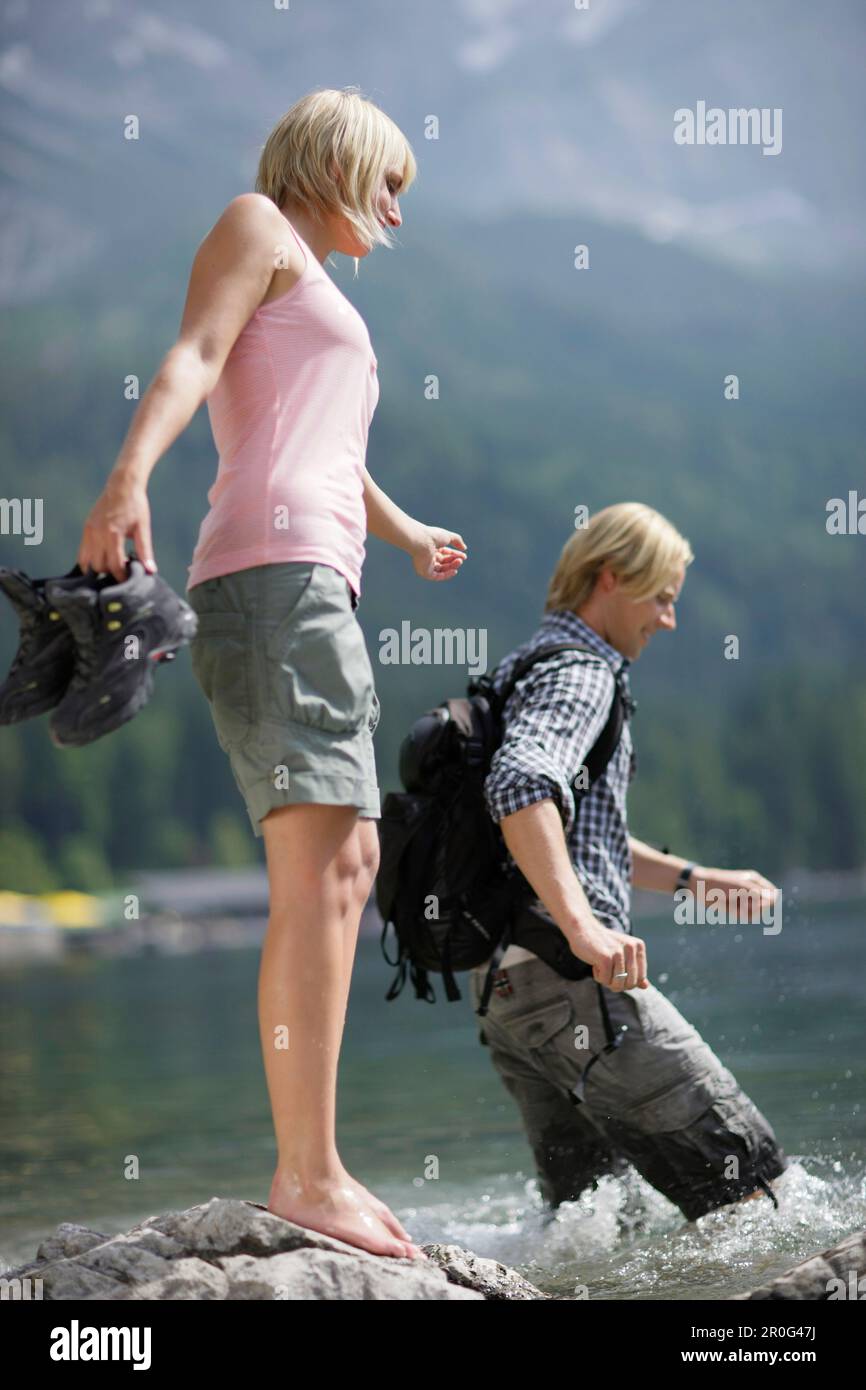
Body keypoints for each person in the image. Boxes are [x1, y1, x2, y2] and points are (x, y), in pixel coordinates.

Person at [76, 87, 467, 1260]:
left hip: (313, 578)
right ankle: (306, 1173)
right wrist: (124, 480)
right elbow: (194, 355)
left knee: (345, 858)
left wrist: (401, 534)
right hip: (273, 575)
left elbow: (328, 448)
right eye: (385, 181)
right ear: (331, 162)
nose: (397, 207)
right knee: (320, 865)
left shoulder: (322, 285)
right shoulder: (256, 224)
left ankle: (314, 1163)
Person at [470, 502, 788, 1223]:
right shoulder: (583, 673)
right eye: (663, 598)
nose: (669, 620)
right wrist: (582, 930)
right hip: (570, 979)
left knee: (597, 1223)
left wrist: (695, 879)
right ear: (610, 578)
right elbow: (521, 788)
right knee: (759, 1191)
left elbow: (571, 826)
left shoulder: (521, 668)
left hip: (508, 993)